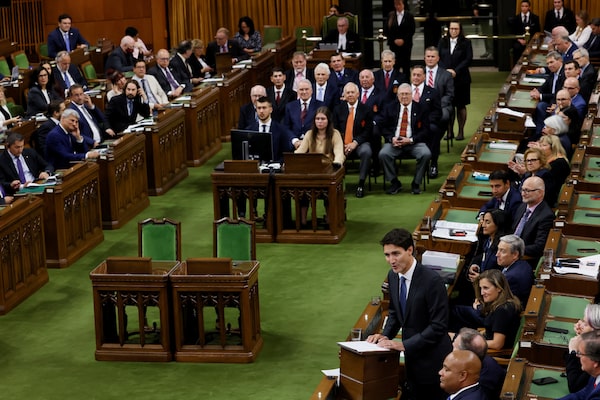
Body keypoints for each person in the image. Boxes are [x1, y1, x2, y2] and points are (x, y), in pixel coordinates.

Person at [366, 228, 452, 400]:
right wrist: (385, 335)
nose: (391, 260)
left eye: (396, 254)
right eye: (387, 255)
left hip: (433, 361)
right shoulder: (393, 276)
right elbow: (395, 312)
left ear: (410, 250)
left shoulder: (432, 281)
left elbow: (438, 326)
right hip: (412, 361)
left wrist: (404, 345)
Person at [376, 83, 432, 195]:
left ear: (412, 95)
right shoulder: (390, 108)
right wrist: (391, 138)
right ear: (397, 96)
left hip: (414, 143)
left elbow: (426, 130)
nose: (404, 96)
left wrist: (410, 140)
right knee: (383, 154)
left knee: (426, 153)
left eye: (407, 94)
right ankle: (394, 182)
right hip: (394, 143)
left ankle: (416, 183)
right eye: (401, 94)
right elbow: (383, 127)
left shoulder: (421, 108)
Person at [294, 107, 345, 226]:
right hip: (312, 171)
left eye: (323, 119)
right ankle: (302, 221)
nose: (320, 121)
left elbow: (339, 153)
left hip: (328, 171)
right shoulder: (309, 134)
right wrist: (290, 161)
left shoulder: (335, 134)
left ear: (328, 120)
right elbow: (300, 152)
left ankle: (330, 219)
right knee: (302, 190)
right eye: (317, 119)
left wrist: (337, 163)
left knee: (329, 191)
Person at [452, 269, 522, 350]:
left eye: (486, 288)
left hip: (490, 352)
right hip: (484, 341)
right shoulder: (504, 304)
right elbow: (490, 332)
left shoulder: (502, 310)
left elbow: (497, 344)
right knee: (451, 336)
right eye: (481, 288)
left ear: (499, 288)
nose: (482, 293)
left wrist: (470, 344)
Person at [332, 82, 373, 198]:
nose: (350, 95)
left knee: (366, 151)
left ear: (358, 94)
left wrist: (355, 142)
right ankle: (336, 185)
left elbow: (368, 131)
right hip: (341, 143)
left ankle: (361, 184)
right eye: (348, 93)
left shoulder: (366, 109)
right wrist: (341, 144)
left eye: (352, 92)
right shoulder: (337, 109)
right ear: (344, 95)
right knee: (330, 151)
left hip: (359, 143)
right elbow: (334, 129)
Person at [438, 20, 472, 141]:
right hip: (446, 78)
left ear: (460, 30)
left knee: (461, 105)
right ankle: (449, 131)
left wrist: (455, 71)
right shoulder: (442, 41)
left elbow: (468, 59)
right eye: (451, 29)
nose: (453, 31)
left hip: (462, 78)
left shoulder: (466, 42)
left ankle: (461, 131)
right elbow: (438, 57)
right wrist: (446, 71)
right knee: (449, 105)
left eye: (456, 29)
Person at [510, 176, 555, 263]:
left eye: (527, 191)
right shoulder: (522, 206)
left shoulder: (546, 216)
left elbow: (539, 247)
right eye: (522, 190)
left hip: (524, 259)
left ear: (540, 193)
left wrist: (514, 249)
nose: (523, 194)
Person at [453, 327, 506, 400]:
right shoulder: (484, 361)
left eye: (454, 347)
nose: (451, 351)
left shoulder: (479, 384)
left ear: (466, 354)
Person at [243, 96, 294, 163]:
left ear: (271, 110)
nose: (261, 111)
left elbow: (286, 155)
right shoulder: (249, 130)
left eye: (264, 108)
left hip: (275, 167)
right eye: (259, 108)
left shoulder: (281, 130)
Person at [467, 209, 511, 284]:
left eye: (487, 222)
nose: (483, 225)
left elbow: (499, 274)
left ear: (498, 224)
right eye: (483, 221)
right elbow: (483, 256)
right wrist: (475, 265)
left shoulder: (502, 247)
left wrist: (480, 278)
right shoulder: (488, 240)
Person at [564, 304, 600, 394]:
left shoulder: (595, 354)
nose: (580, 325)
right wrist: (582, 338)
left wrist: (573, 352)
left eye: (585, 324)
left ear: (596, 331)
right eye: (582, 321)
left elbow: (575, 386)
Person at [558, 330, 600, 400]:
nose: (577, 356)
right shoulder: (595, 376)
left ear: (596, 362)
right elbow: (582, 394)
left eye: (580, 353)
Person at [284, 79, 324, 145]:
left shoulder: (320, 105)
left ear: (311, 91)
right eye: (301, 90)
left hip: (314, 142)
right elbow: (286, 127)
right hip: (295, 144)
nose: (304, 92)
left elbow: (322, 126)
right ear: (297, 91)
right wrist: (295, 140)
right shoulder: (290, 106)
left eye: (306, 89)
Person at [384, 0, 415, 75]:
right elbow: (386, 30)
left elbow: (412, 30)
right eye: (396, 4)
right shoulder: (391, 15)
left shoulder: (409, 16)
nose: (398, 6)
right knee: (395, 64)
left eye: (399, 4)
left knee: (406, 65)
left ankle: (406, 80)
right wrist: (394, 40)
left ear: (403, 5)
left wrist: (403, 40)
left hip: (406, 45)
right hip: (394, 45)